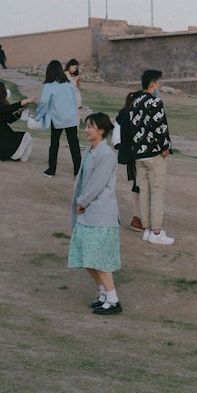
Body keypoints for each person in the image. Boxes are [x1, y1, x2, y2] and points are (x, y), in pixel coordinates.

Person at [68, 112, 123, 315]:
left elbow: (97, 184)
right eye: (86, 126)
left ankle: (113, 299)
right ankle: (104, 294)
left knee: (99, 259)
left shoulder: (106, 154)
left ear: (101, 130)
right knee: (86, 257)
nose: (86, 130)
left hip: (100, 214)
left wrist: (82, 202)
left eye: (90, 126)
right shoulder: (92, 151)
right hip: (88, 214)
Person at [127, 69, 174, 244]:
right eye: (158, 83)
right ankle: (156, 231)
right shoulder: (155, 102)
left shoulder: (135, 101)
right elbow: (159, 127)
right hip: (154, 153)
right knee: (157, 192)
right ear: (153, 84)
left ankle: (147, 229)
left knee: (144, 192)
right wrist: (165, 147)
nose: (159, 87)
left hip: (139, 153)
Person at [34, 60, 82, 178]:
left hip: (57, 118)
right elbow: (74, 100)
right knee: (74, 144)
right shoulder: (68, 84)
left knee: (54, 144)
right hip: (70, 117)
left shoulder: (48, 86)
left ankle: (51, 169)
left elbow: (44, 102)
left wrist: (38, 116)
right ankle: (78, 172)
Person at [115, 89, 144, 230]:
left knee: (137, 184)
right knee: (139, 185)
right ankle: (137, 217)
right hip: (136, 154)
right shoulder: (132, 116)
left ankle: (137, 216)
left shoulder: (124, 114)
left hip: (130, 154)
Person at [0, 80, 36, 162]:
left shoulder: (2, 103)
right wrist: (26, 101)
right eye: (5, 88)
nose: (7, 90)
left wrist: (20, 111)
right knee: (25, 137)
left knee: (26, 136)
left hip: (3, 132)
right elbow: (8, 109)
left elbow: (9, 119)